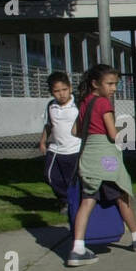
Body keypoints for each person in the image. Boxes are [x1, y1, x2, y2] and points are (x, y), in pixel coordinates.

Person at [65, 64, 136, 268]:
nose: (114, 88)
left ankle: (78, 248)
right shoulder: (103, 103)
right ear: (95, 84)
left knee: (87, 200)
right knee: (122, 196)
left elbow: (75, 131)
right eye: (109, 84)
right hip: (106, 158)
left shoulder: (84, 104)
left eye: (115, 84)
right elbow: (111, 133)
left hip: (88, 157)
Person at [38, 71, 78, 208]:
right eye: (57, 91)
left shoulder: (78, 104)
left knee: (72, 179)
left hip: (75, 149)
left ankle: (74, 202)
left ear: (70, 88)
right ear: (51, 92)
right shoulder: (51, 106)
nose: (62, 94)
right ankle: (64, 199)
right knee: (50, 176)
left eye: (64, 90)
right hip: (56, 149)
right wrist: (43, 141)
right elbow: (49, 125)